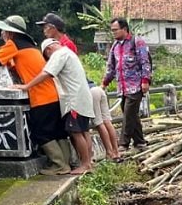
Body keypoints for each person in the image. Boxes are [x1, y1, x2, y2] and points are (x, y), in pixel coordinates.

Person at [0, 14, 71, 175]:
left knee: (42, 132)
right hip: (53, 94)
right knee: (58, 131)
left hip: (40, 97)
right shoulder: (31, 46)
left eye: (4, 31)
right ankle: (66, 163)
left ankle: (59, 165)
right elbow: (19, 64)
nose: (2, 34)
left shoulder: (12, 44)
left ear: (10, 33)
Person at [11, 39, 96, 174]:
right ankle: (87, 162)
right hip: (82, 98)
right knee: (83, 131)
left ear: (48, 50)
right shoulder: (69, 53)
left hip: (74, 100)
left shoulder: (59, 55)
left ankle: (85, 164)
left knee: (76, 132)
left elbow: (46, 73)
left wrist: (27, 86)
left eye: (47, 56)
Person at [102, 18, 152, 151]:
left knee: (128, 114)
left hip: (135, 86)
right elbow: (111, 67)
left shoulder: (137, 42)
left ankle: (123, 144)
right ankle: (140, 142)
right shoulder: (115, 46)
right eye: (112, 30)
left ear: (124, 29)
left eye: (115, 30)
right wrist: (104, 83)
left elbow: (145, 62)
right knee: (131, 114)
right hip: (122, 88)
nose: (113, 33)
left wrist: (145, 81)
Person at [90, 83, 120, 159]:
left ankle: (109, 152)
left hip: (91, 92)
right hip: (99, 89)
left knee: (99, 123)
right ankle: (116, 151)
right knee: (107, 121)